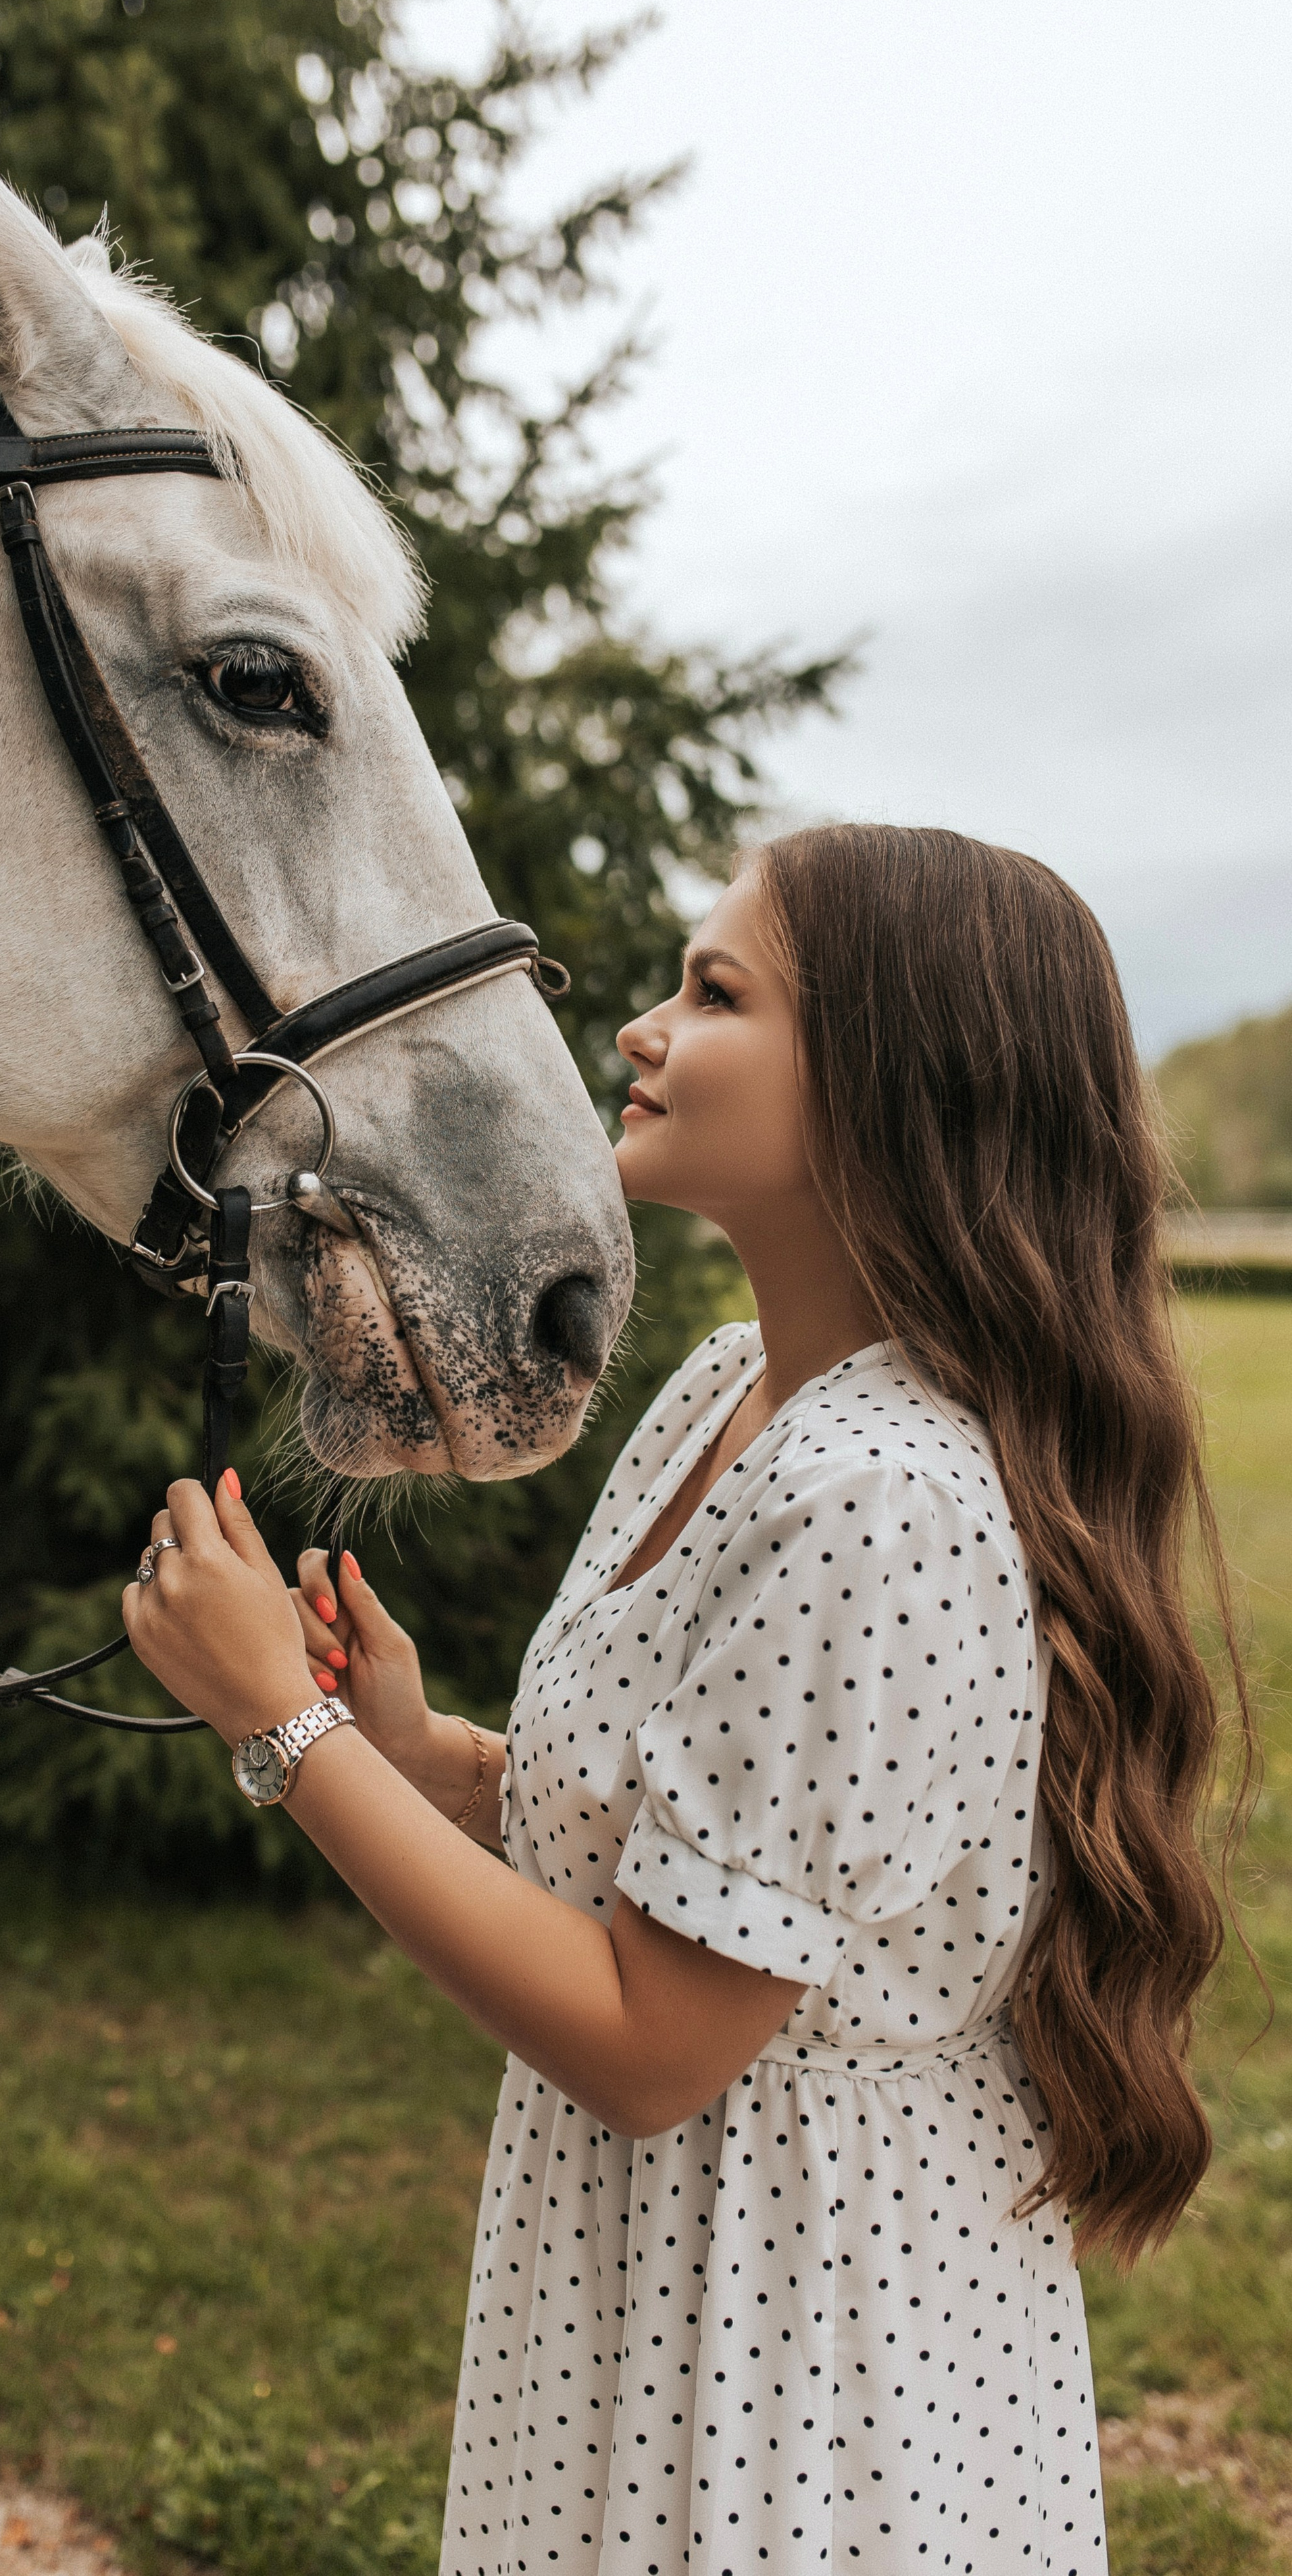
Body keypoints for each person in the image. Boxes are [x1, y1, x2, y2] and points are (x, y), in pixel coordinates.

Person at [122, 823, 1247, 2576]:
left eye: (714, 994)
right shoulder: (734, 1395)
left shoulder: (882, 1496)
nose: (638, 1032)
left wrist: (293, 1734)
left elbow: (656, 2041)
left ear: (897, 1084)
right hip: (655, 2293)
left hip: (800, 2371)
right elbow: (694, 1855)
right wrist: (427, 1757)